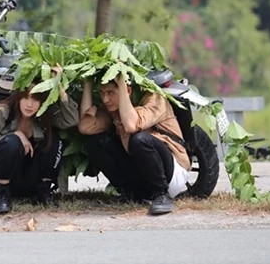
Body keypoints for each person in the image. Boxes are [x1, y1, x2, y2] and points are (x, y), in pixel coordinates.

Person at [0, 65, 79, 214]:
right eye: (25, 98)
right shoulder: (3, 111)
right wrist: (16, 135)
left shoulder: (44, 115)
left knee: (53, 139)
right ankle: (2, 195)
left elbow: (72, 120)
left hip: (30, 179)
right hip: (1, 177)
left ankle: (44, 191)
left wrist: (58, 84)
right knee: (11, 143)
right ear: (18, 97)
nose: (29, 105)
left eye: (35, 100)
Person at [78, 73, 190, 215]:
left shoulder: (155, 99)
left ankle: (161, 195)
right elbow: (85, 127)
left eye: (111, 93)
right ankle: (130, 193)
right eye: (102, 93)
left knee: (139, 139)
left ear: (128, 90)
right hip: (142, 173)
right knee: (95, 142)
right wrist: (88, 84)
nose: (105, 99)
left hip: (171, 174)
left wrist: (122, 84)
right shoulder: (112, 110)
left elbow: (131, 126)